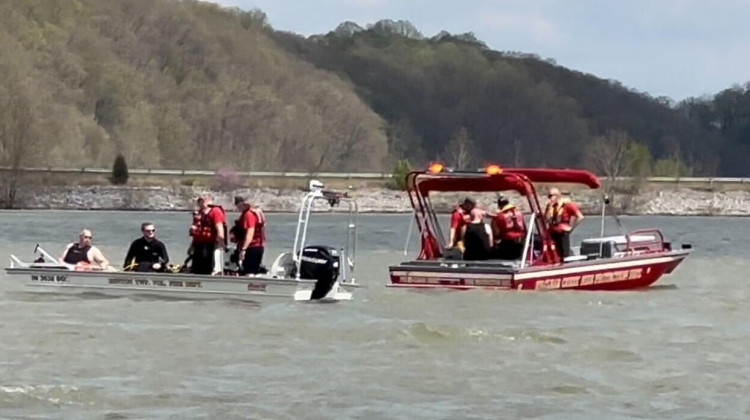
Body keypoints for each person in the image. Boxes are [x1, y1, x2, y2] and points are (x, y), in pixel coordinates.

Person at [189, 194, 226, 275]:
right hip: (198, 244)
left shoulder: (215, 211)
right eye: (199, 201)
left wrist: (220, 243)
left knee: (207, 266)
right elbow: (196, 232)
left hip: (209, 243)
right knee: (196, 268)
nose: (199, 204)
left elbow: (219, 228)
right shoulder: (200, 213)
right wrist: (191, 246)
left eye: (201, 201)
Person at [545, 187, 584, 260]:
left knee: (564, 255)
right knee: (553, 254)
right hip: (552, 233)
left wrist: (571, 228)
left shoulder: (567, 205)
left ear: (557, 196)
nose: (550, 198)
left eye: (551, 196)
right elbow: (546, 219)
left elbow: (580, 217)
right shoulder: (549, 206)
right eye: (549, 196)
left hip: (562, 233)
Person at [233, 196, 266, 275]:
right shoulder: (258, 213)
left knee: (249, 271)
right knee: (253, 270)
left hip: (252, 247)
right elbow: (263, 228)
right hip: (259, 246)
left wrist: (244, 249)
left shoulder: (248, 214)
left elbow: (250, 232)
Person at [491, 195, 527, 259]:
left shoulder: (499, 217)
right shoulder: (520, 213)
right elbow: (525, 230)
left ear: (499, 206)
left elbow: (496, 234)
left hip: (508, 245)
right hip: (521, 243)